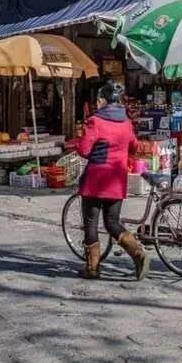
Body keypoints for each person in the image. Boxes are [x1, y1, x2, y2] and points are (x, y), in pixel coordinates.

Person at [75, 82, 149, 281]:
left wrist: (77, 141)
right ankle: (138, 253)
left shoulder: (95, 121)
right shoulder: (125, 122)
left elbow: (83, 150)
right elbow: (134, 146)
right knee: (112, 222)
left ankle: (92, 268)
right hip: (117, 179)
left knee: (91, 222)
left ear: (102, 100)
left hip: (96, 179)